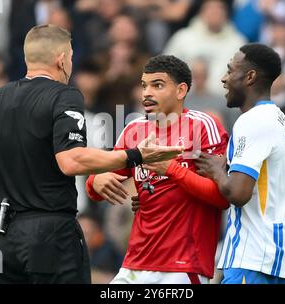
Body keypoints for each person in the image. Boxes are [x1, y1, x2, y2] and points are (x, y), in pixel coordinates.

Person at [0, 24, 182, 284]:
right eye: (71, 57)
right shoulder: (64, 95)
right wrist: (134, 155)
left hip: (5, 238)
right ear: (61, 59)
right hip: (51, 235)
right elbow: (70, 160)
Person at [86, 55, 230, 284]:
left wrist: (171, 169)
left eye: (157, 85)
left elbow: (222, 198)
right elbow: (97, 186)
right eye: (144, 86)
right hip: (137, 260)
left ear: (181, 90)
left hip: (183, 264)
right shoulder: (133, 130)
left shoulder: (203, 126)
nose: (147, 93)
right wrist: (94, 181)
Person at [195, 43, 285, 284]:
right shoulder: (279, 117)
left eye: (230, 70)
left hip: (254, 256)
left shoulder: (251, 121)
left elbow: (238, 192)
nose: (224, 79)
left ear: (250, 77)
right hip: (283, 256)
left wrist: (215, 171)